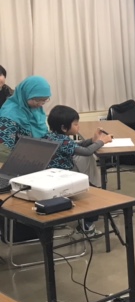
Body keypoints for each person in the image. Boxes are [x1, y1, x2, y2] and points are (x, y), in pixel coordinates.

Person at [44, 105, 113, 236]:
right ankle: (87, 226)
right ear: (64, 128)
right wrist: (102, 142)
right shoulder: (63, 141)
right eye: (75, 124)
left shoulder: (52, 136)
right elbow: (86, 152)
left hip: (53, 177)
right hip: (64, 179)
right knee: (94, 194)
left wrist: (92, 140)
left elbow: (76, 146)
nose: (78, 126)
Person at [0, 75, 51, 162]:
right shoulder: (9, 115)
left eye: (44, 100)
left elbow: (45, 136)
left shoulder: (36, 110)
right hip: (17, 162)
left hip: (38, 159)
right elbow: (3, 151)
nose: (40, 104)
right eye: (37, 100)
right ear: (25, 94)